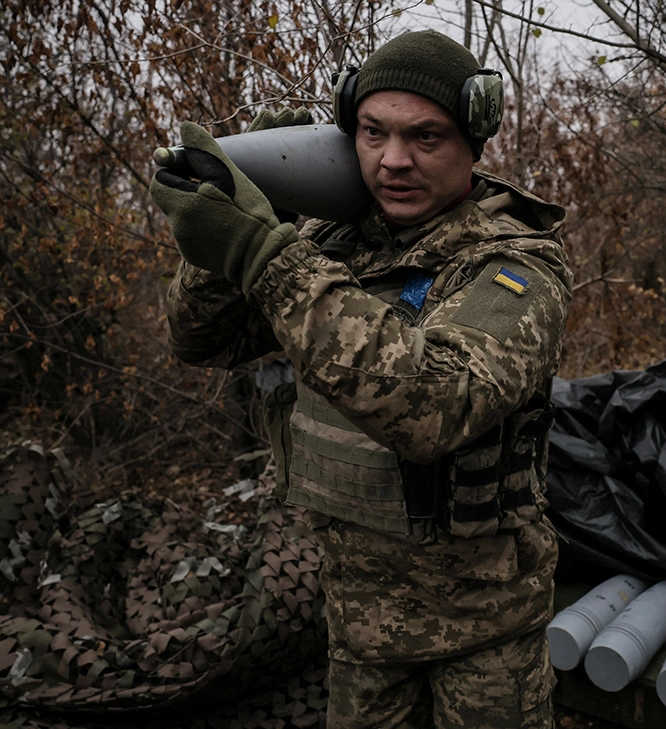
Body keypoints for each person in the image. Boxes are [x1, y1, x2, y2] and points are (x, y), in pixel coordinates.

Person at [150, 29, 572, 729]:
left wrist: (267, 254)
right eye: (372, 133)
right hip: (359, 622)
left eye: (425, 137)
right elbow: (202, 338)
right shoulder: (336, 243)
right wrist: (247, 222)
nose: (394, 160)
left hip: (483, 634)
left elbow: (436, 406)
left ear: (473, 142)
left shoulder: (515, 266)